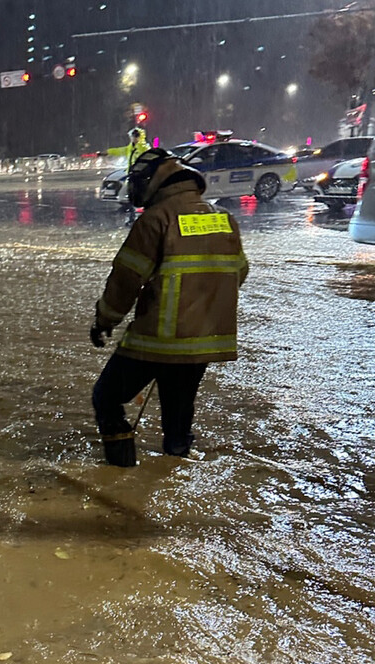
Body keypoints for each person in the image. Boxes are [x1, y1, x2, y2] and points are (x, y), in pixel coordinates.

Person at [89, 148, 248, 467]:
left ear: (155, 182)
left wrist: (104, 320)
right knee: (178, 419)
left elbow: (126, 280)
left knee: (106, 397)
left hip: (156, 339)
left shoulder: (156, 219)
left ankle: (121, 476)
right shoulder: (223, 219)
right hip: (202, 341)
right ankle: (175, 477)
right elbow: (238, 273)